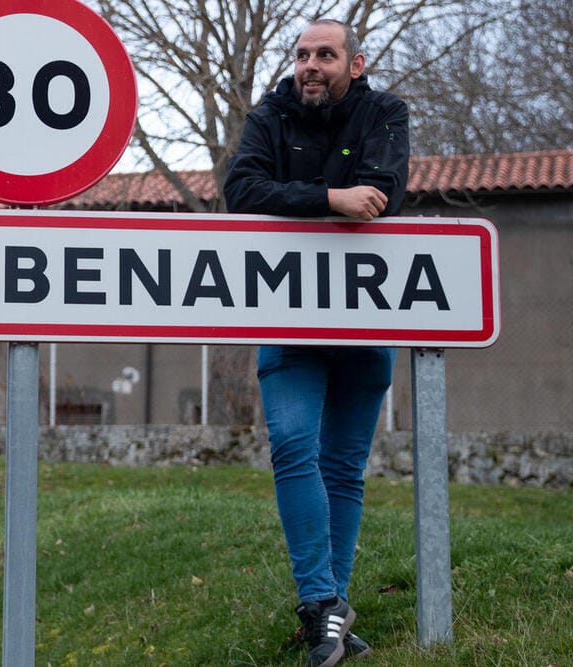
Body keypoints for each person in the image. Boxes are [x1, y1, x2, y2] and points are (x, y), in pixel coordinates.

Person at [222, 18, 409, 667]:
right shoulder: (269, 115)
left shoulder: (385, 113)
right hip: (288, 317)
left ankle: (333, 607)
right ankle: (320, 604)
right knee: (293, 444)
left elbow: (384, 195)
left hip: (366, 317)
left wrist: (320, 203)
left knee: (343, 467)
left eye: (324, 55)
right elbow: (241, 191)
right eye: (302, 54)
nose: (309, 65)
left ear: (355, 64)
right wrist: (333, 198)